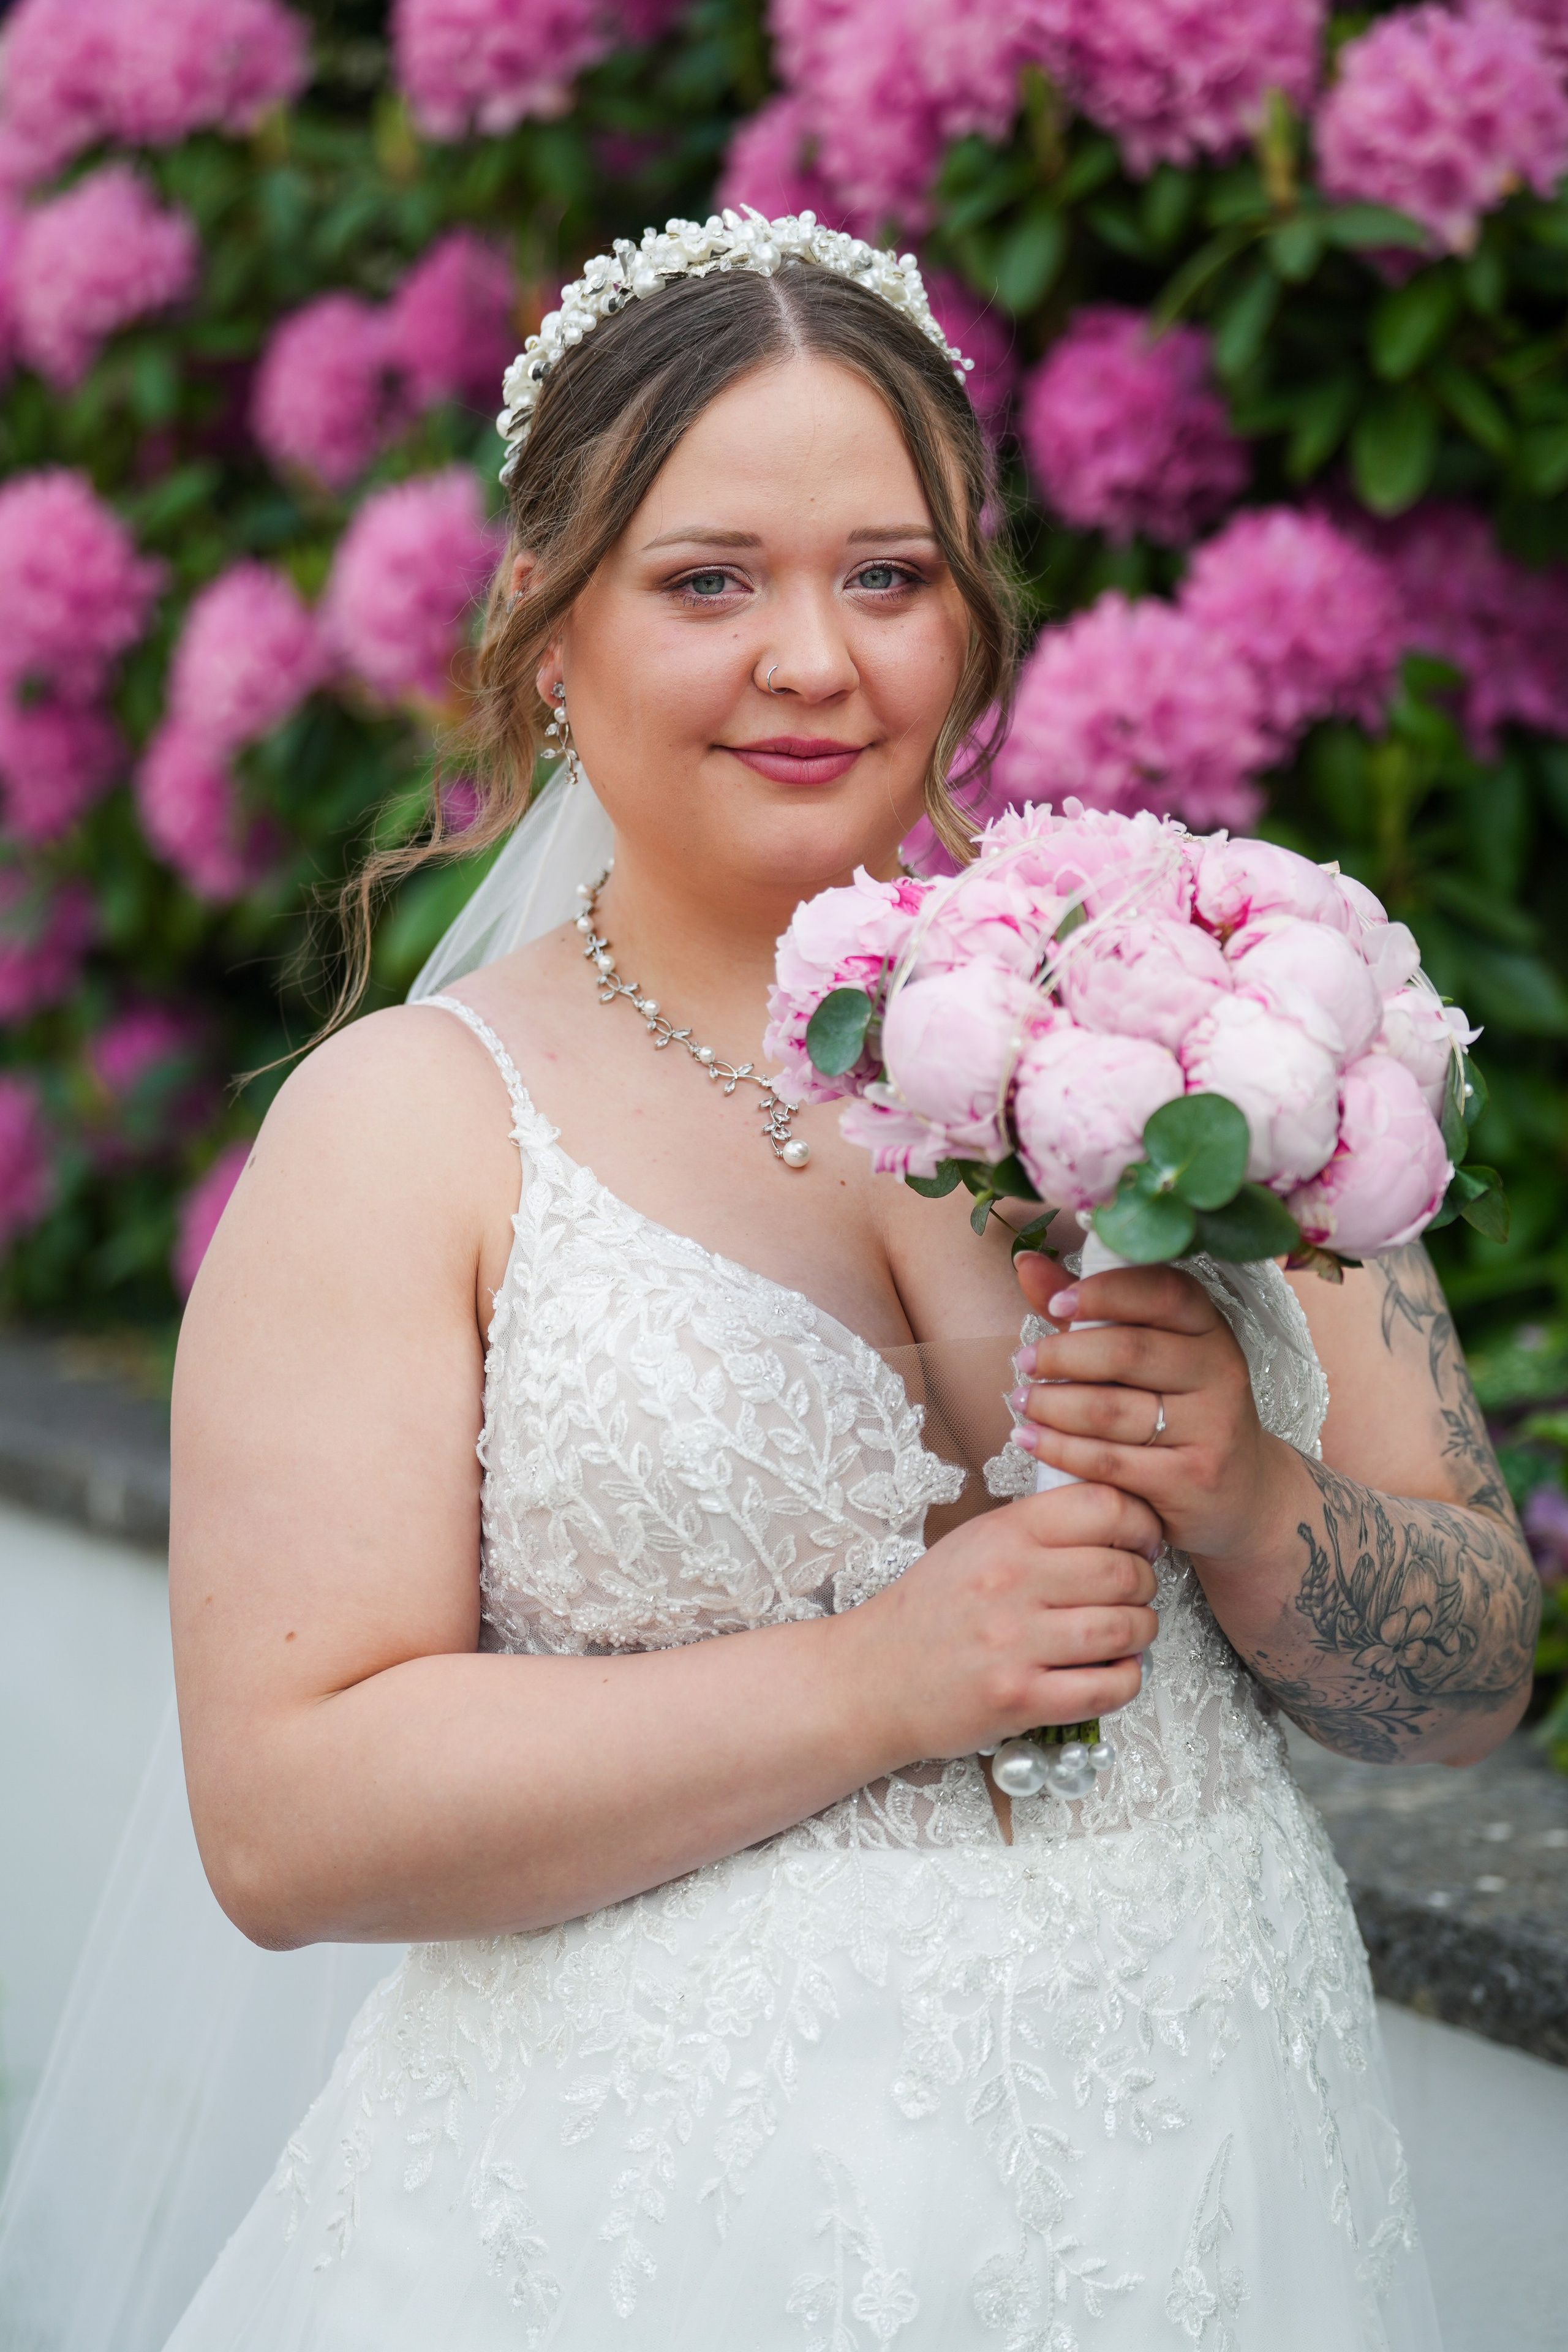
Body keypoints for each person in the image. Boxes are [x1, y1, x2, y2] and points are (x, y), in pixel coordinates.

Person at [59, 217, 1553, 2348]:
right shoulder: (407, 1132)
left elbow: (1472, 1676)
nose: (814, 659)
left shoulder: (1208, 1016)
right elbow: (291, 1824)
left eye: (888, 573)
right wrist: (881, 1682)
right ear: (545, 631)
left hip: (1206, 2190)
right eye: (706, 580)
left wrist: (1252, 1505)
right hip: (641, 2241)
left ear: (974, 614)